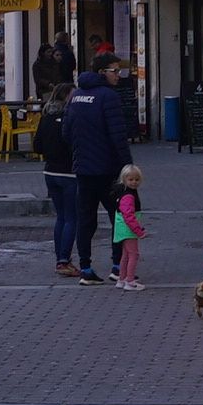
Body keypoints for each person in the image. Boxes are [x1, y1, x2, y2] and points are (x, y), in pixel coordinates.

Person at [65, 54, 138, 280]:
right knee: (118, 217)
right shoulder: (109, 97)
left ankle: (85, 269)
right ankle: (117, 267)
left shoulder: (75, 96)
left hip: (83, 169)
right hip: (108, 171)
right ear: (101, 72)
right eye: (114, 71)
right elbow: (118, 136)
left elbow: (66, 133)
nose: (118, 75)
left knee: (86, 220)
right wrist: (128, 167)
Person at [34, 90, 85, 277]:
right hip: (69, 173)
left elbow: (37, 145)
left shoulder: (46, 117)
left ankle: (60, 259)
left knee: (61, 217)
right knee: (72, 217)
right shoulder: (71, 118)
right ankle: (64, 261)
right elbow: (77, 143)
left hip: (50, 171)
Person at [110, 162, 148, 291]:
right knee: (134, 254)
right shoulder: (129, 196)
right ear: (124, 179)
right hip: (128, 230)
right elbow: (129, 216)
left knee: (125, 255)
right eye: (131, 179)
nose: (134, 182)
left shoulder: (122, 192)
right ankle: (130, 280)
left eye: (136, 179)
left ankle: (122, 278)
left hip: (122, 228)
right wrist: (139, 231)